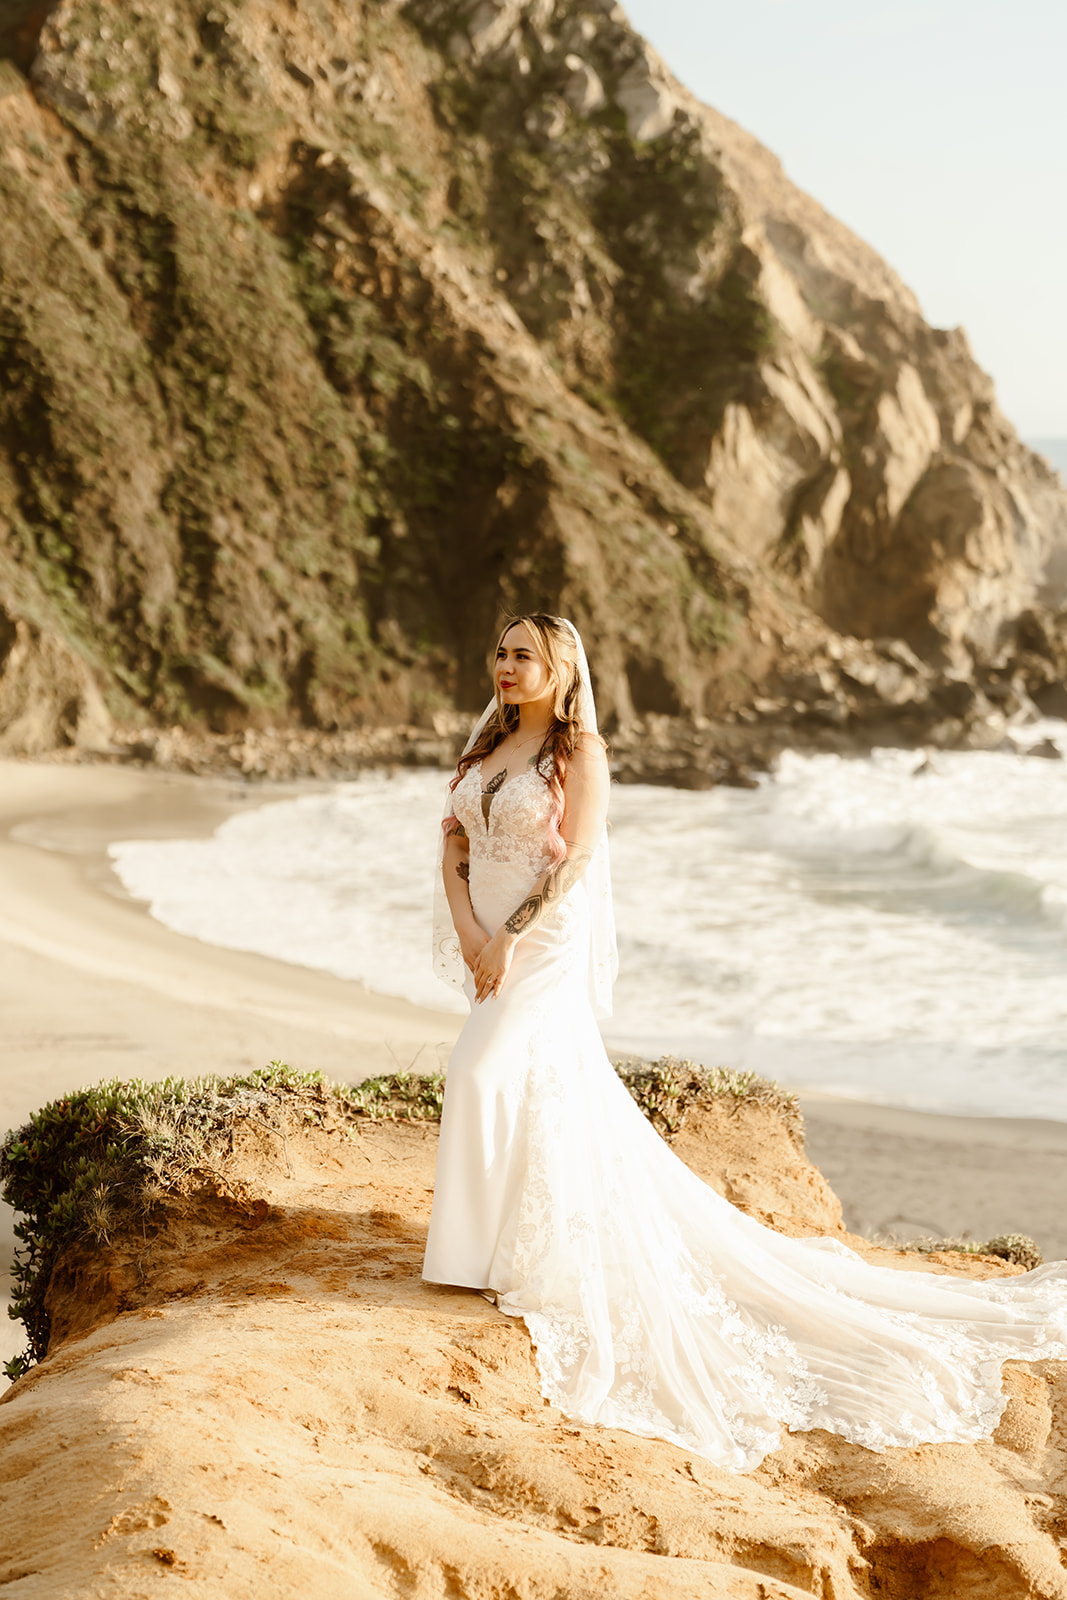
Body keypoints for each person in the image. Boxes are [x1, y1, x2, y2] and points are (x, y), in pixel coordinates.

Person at [424, 613, 1067, 1473]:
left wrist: (509, 936)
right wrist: (470, 929)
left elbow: (574, 861)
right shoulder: (488, 745)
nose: (504, 666)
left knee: (479, 1072)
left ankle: (479, 1254)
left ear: (560, 667)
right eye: (499, 652)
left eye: (523, 656)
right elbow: (454, 845)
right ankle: (486, 1251)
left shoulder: (579, 753)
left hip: (544, 938)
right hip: (488, 932)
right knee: (524, 1078)